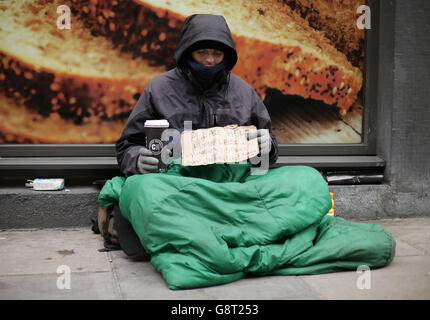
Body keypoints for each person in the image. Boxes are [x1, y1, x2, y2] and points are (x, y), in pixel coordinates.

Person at [112, 13, 279, 258]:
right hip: (177, 187)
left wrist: (267, 148)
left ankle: (191, 235)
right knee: (139, 188)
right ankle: (223, 234)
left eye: (217, 53)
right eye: (202, 53)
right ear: (187, 52)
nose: (210, 61)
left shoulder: (244, 92)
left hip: (230, 189)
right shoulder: (158, 88)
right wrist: (137, 158)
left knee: (307, 180)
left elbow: (263, 157)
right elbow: (128, 144)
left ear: (227, 55)